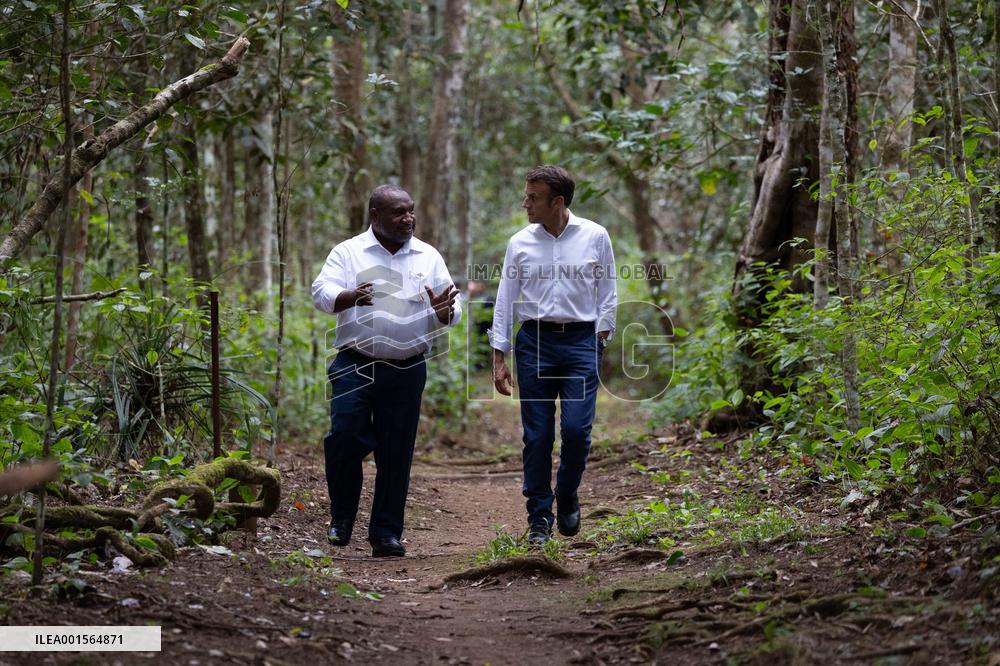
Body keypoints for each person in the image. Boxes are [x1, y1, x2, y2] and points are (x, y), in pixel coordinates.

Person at [312, 184, 461, 557]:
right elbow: (320, 291)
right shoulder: (348, 252)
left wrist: (446, 312)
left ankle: (386, 533)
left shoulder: (428, 256)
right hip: (355, 363)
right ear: (375, 216)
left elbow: (451, 308)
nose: (408, 218)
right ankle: (342, 518)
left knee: (396, 452)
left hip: (407, 368)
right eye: (398, 212)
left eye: (410, 211)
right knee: (344, 438)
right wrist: (350, 296)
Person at [490, 165, 617, 545]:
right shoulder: (520, 242)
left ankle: (567, 492)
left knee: (577, 431)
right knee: (538, 435)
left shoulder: (595, 236)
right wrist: (500, 355)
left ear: (558, 202)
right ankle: (539, 518)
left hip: (581, 342)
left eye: (533, 197)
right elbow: (505, 299)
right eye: (526, 195)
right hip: (535, 344)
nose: (524, 203)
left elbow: (608, 290)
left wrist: (599, 341)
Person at [466, 279, 494, 371]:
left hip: (485, 327)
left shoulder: (488, 298)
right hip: (476, 327)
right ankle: (478, 364)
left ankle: (482, 365)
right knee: (477, 345)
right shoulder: (475, 298)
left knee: (484, 345)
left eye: (480, 285)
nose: (479, 287)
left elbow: (492, 314)